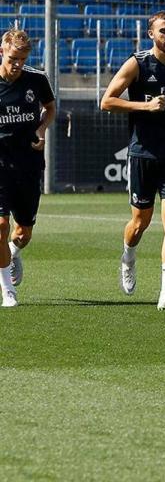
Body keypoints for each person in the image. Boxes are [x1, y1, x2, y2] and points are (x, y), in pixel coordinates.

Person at [101, 10, 165, 311]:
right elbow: (107, 101)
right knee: (140, 221)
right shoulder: (137, 63)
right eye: (163, 32)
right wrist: (145, 106)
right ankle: (128, 254)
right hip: (143, 153)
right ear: (151, 34)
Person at [0, 28, 56, 307]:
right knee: (0, 225)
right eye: (13, 58)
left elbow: (50, 107)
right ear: (2, 52)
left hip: (28, 164)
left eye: (22, 58)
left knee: (23, 232)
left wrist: (43, 128)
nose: (18, 64)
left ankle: (12, 252)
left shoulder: (36, 79)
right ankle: (7, 291)